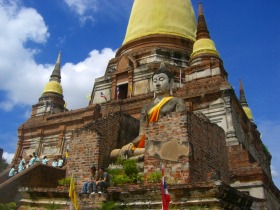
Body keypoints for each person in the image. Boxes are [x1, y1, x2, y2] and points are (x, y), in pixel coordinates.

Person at [111, 62, 186, 160]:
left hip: (167, 141)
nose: (157, 84)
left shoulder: (177, 102)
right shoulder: (146, 107)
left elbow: (180, 129)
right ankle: (145, 154)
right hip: (148, 145)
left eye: (161, 79)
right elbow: (142, 134)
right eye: (155, 81)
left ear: (171, 82)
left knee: (167, 148)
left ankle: (145, 155)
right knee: (115, 153)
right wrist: (131, 144)